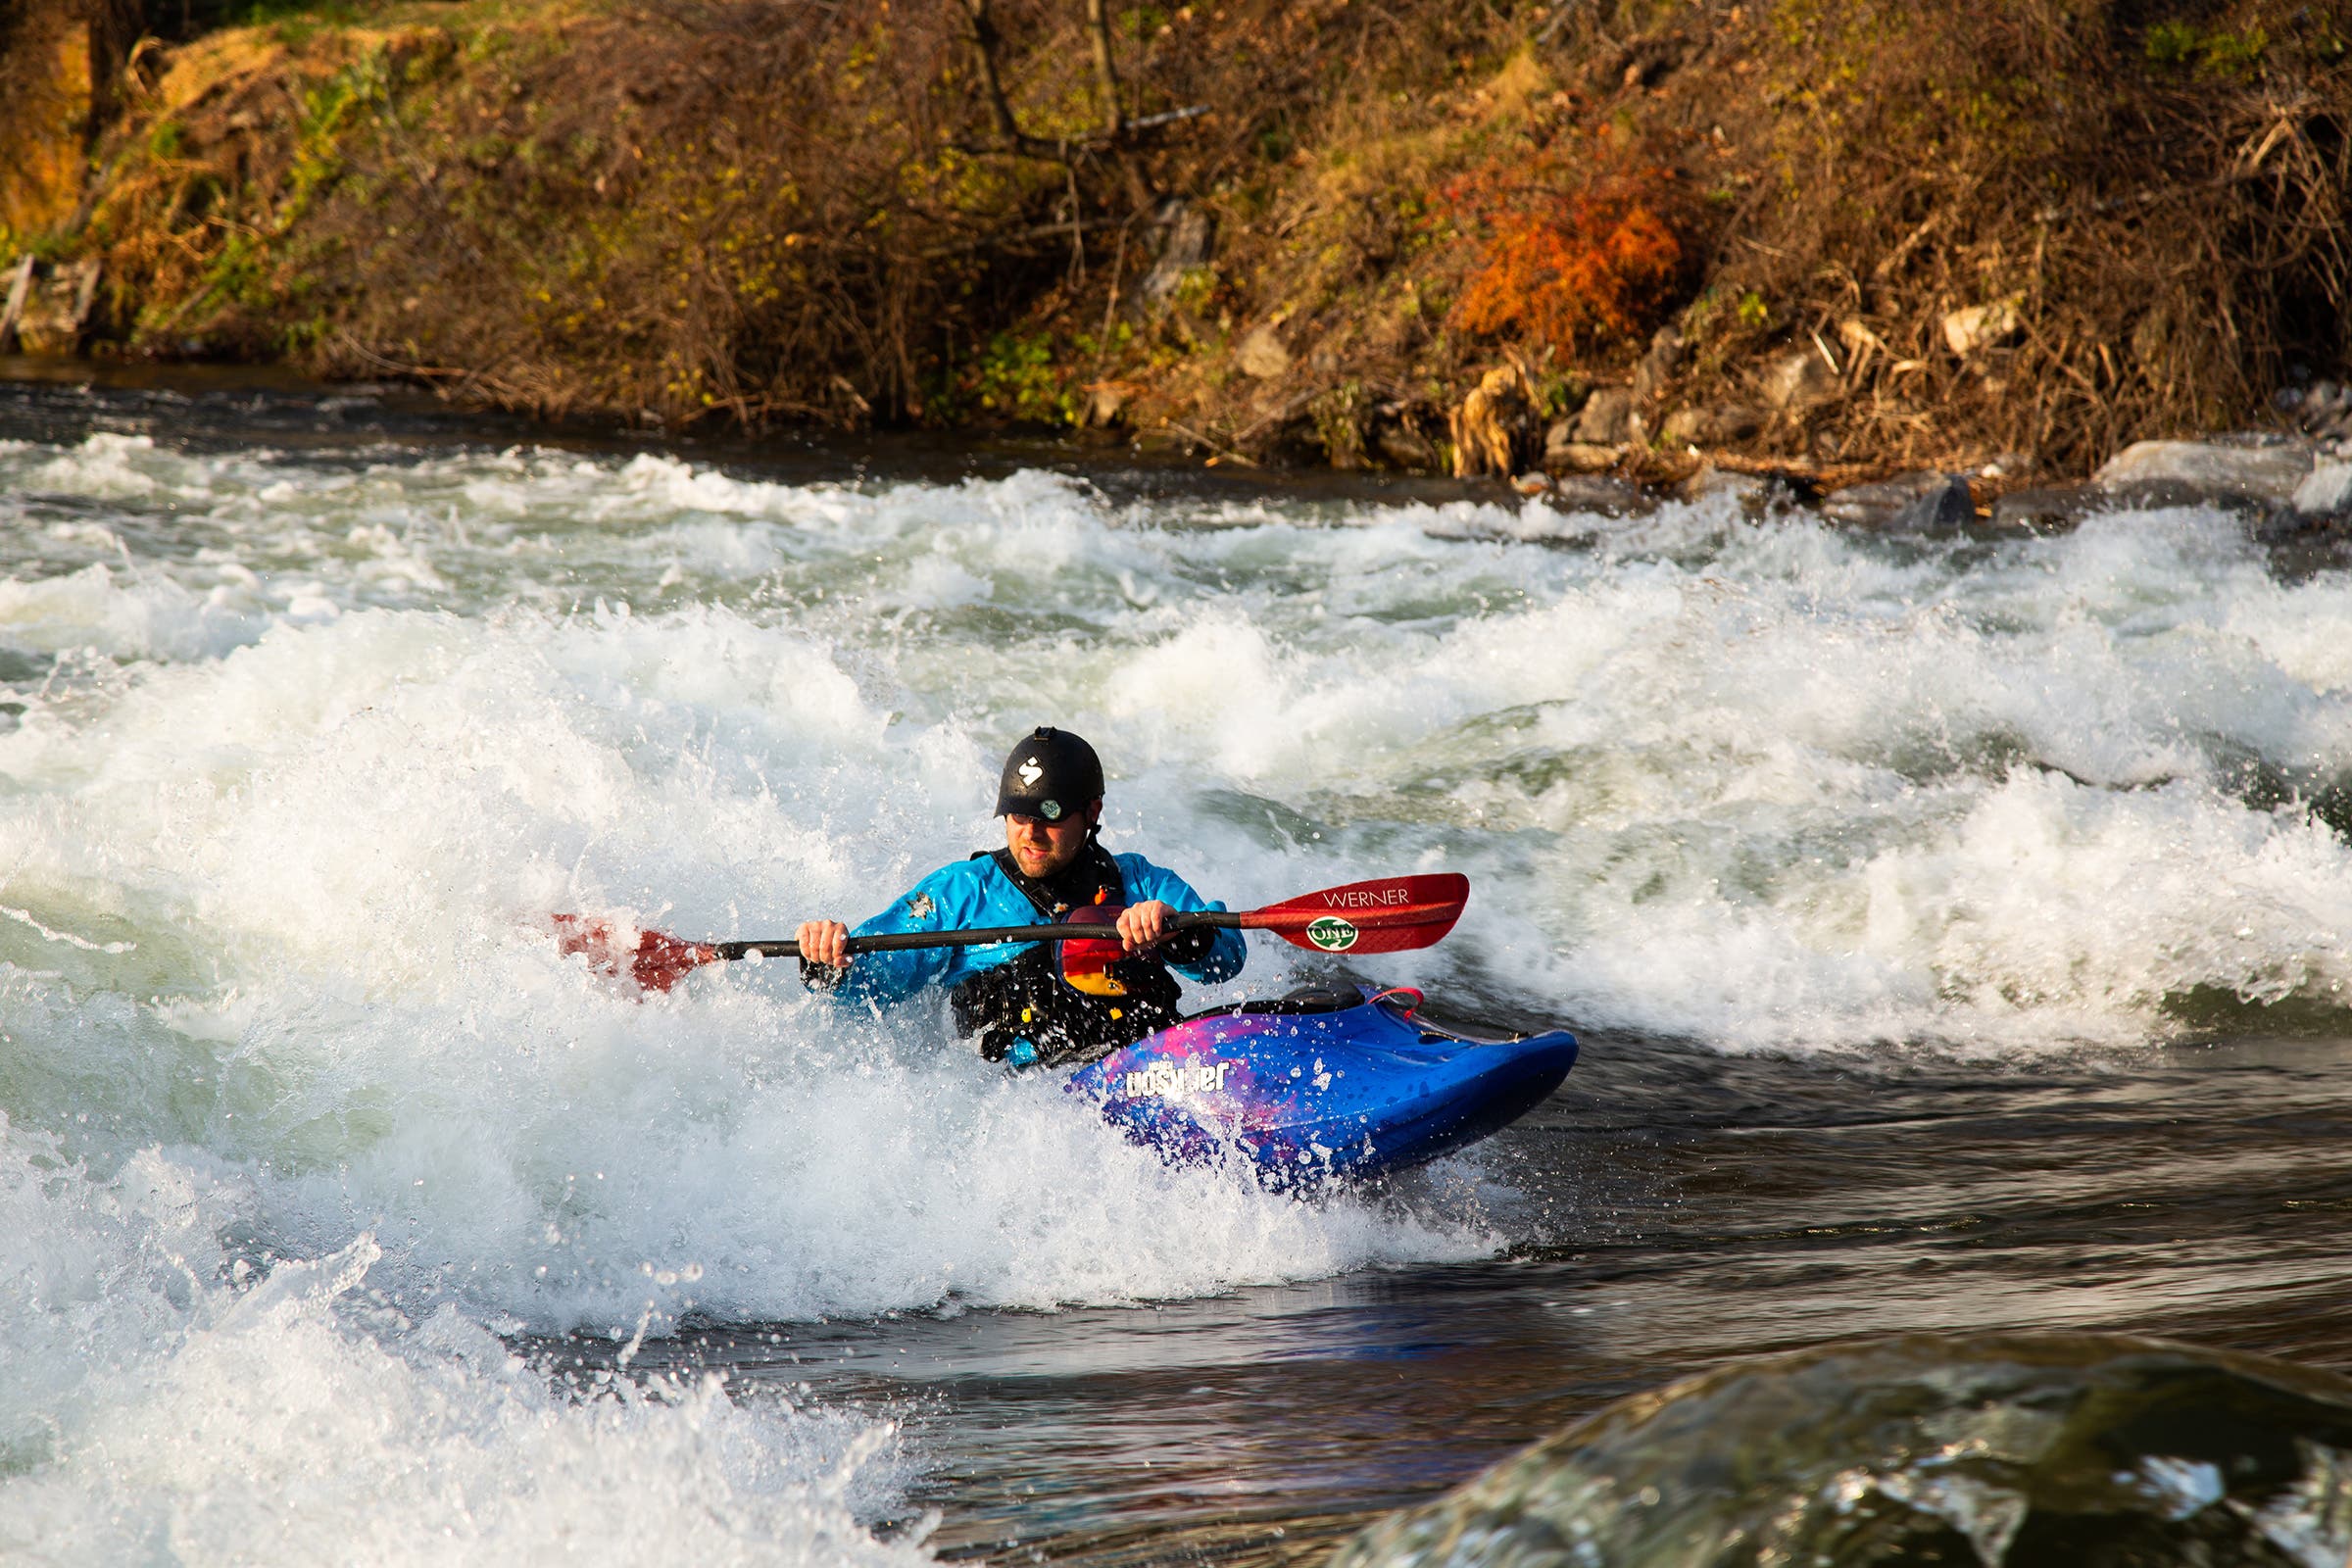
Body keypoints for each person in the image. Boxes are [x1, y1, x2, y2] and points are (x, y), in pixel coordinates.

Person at [796, 727, 1247, 1067]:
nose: (1029, 833)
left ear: (1092, 812)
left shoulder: (1141, 883)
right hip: (1032, 1099)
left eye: (1049, 816)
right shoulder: (963, 892)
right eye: (1017, 814)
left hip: (1150, 1068)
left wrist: (1172, 932)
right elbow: (874, 984)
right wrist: (827, 958)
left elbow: (1227, 959)